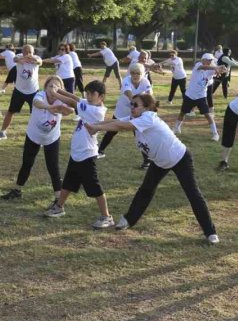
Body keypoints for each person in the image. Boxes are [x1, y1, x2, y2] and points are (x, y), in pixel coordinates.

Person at [86, 94, 218, 243]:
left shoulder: (149, 117)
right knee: (146, 189)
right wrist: (95, 124)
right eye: (131, 104)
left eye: (135, 105)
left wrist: (97, 127)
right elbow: (115, 122)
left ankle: (210, 233)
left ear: (147, 107)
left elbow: (121, 126)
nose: (132, 108)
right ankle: (128, 220)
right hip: (160, 162)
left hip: (180, 158)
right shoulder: (135, 118)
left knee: (193, 194)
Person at [43, 81, 114, 228]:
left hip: (87, 154)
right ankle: (59, 207)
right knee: (68, 182)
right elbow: (75, 98)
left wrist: (55, 93)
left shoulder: (96, 111)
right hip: (77, 153)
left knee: (95, 187)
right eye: (87, 93)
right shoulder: (89, 104)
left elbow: (73, 103)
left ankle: (107, 217)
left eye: (92, 94)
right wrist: (61, 90)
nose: (88, 96)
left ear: (101, 97)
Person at [1, 76, 73, 202]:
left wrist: (63, 107)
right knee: (27, 163)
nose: (53, 89)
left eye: (57, 87)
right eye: (50, 86)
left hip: (52, 137)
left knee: (53, 167)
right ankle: (17, 190)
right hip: (33, 135)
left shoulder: (61, 101)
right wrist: (50, 108)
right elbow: (36, 103)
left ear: (61, 90)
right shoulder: (40, 95)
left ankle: (58, 198)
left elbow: (71, 110)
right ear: (45, 88)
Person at [98, 63, 152, 165]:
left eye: (138, 73)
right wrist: (135, 102)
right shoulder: (126, 80)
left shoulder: (146, 81)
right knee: (112, 130)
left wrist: (147, 105)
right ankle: (99, 151)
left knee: (139, 134)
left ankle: (147, 160)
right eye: (133, 73)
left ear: (142, 74)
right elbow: (128, 92)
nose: (135, 75)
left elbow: (149, 94)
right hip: (123, 109)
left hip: (137, 111)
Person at [0, 45, 41, 141]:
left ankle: (38, 136)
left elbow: (39, 62)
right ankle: (2, 132)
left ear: (33, 52)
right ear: (22, 51)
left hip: (33, 91)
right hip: (19, 91)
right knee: (10, 112)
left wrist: (32, 59)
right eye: (25, 51)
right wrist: (22, 59)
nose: (27, 53)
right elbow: (15, 59)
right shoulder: (19, 56)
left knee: (36, 114)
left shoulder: (36, 58)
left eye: (29, 51)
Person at [174, 53, 224, 141]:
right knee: (182, 112)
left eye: (211, 60)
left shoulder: (211, 70)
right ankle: (176, 128)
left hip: (201, 96)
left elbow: (219, 70)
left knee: (207, 114)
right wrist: (216, 68)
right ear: (203, 60)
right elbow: (204, 67)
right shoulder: (198, 65)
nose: (210, 62)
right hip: (189, 95)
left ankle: (215, 134)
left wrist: (222, 69)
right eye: (208, 60)